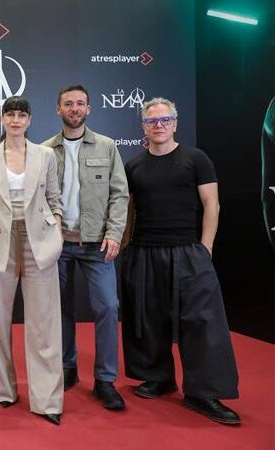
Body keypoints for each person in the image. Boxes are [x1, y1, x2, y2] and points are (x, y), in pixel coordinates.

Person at [121, 97, 240, 425]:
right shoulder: (133, 166)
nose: (159, 125)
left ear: (175, 123)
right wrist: (127, 247)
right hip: (144, 251)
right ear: (143, 126)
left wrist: (206, 247)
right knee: (149, 318)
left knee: (202, 322)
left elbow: (212, 204)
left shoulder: (196, 159)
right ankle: (158, 377)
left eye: (165, 119)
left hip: (188, 251)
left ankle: (203, 393)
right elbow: (129, 209)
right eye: (152, 121)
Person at [0, 96, 65, 425]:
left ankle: (47, 400)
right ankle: (5, 391)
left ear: (29, 120)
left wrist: (56, 230)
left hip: (39, 239)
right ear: (2, 119)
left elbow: (54, 197)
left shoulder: (45, 155)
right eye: (10, 114)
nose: (16, 120)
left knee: (44, 323)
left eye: (21, 115)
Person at [41, 85, 128, 410]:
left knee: (108, 307)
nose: (74, 108)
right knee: (60, 309)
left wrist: (115, 233)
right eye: (68, 104)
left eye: (80, 103)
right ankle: (67, 366)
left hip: (97, 244)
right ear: (58, 109)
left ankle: (105, 380)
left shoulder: (107, 146)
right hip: (58, 244)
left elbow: (120, 194)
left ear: (89, 109)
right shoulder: (45, 151)